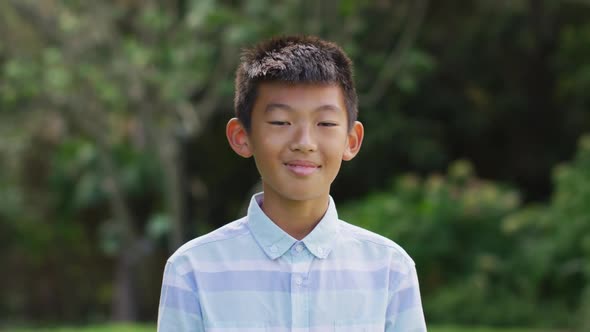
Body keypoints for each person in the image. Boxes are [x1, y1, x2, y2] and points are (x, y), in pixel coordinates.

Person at [157, 35, 427, 332]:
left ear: (351, 141)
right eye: (280, 122)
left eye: (325, 124)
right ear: (241, 136)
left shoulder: (389, 269)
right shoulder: (192, 270)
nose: (304, 143)